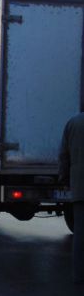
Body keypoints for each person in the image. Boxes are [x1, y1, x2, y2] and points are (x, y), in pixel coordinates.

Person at [59, 111, 84, 284]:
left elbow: (64, 155)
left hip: (80, 186)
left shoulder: (73, 123)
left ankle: (78, 275)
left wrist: (64, 178)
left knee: (80, 233)